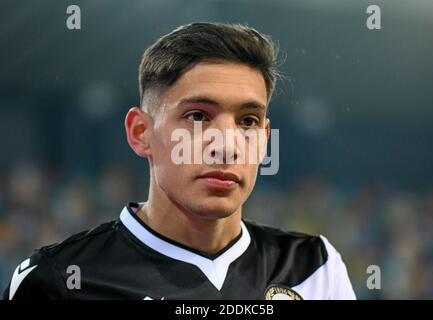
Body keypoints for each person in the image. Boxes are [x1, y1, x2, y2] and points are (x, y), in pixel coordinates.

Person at [2, 22, 355, 300]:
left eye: (247, 121)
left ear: (263, 139)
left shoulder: (315, 267)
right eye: (198, 116)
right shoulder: (58, 280)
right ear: (141, 132)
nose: (227, 145)